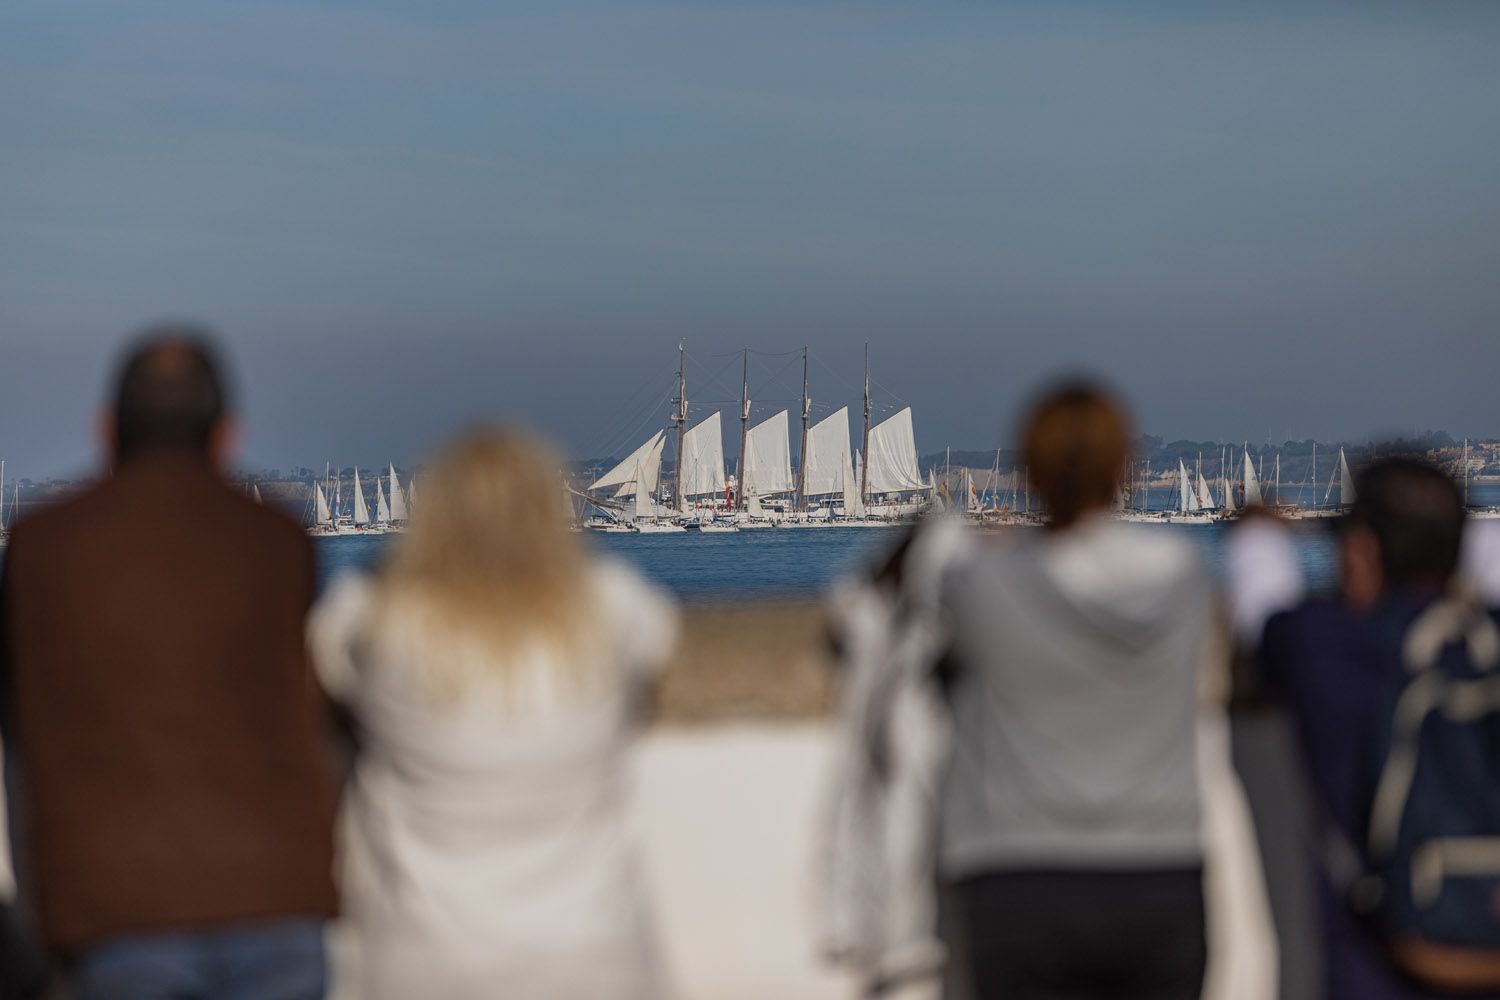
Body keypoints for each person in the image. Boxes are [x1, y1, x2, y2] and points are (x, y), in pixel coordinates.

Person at [0, 330, 338, 998]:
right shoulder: (278, 540)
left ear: (105, 429)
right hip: (273, 891)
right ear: (226, 435)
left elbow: (21, 726)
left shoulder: (40, 546)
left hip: (116, 898)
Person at [309, 428, 678, 1000]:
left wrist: (406, 565)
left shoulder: (384, 627)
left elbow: (332, 637)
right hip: (587, 958)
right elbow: (654, 636)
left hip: (422, 963)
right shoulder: (607, 614)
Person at [936, 383, 1212, 1000]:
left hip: (1014, 868)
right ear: (1124, 468)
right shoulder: (1180, 572)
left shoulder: (981, 582)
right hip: (1159, 866)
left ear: (1027, 468)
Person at [1234, 460, 1500, 1000]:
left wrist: (1259, 525)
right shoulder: (1487, 643)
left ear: (1363, 550)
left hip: (1373, 965)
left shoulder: (1326, 649)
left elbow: (1257, 592)